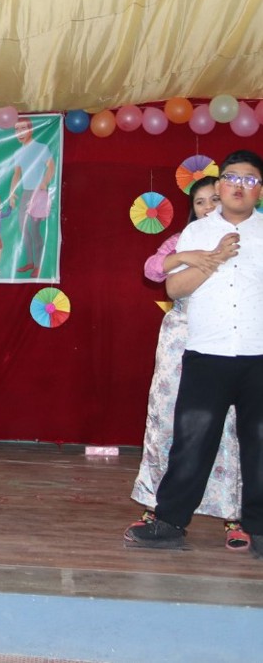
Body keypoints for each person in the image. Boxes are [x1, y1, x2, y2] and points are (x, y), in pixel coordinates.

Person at [126, 150, 263, 556]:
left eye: (251, 180)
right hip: (207, 354)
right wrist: (213, 260)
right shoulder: (196, 234)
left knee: (259, 443)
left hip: (258, 354)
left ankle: (258, 526)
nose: (240, 185)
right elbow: (172, 289)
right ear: (219, 186)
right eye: (233, 177)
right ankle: (170, 521)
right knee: (192, 440)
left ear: (259, 190)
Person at [5, 117, 55, 277]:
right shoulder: (17, 152)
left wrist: (44, 183)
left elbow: (51, 167)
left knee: (34, 230)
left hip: (38, 194)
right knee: (23, 228)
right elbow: (16, 174)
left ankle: (38, 265)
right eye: (17, 129)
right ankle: (30, 262)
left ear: (31, 130)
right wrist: (11, 195)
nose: (20, 132)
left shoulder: (41, 148)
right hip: (26, 193)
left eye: (23, 128)